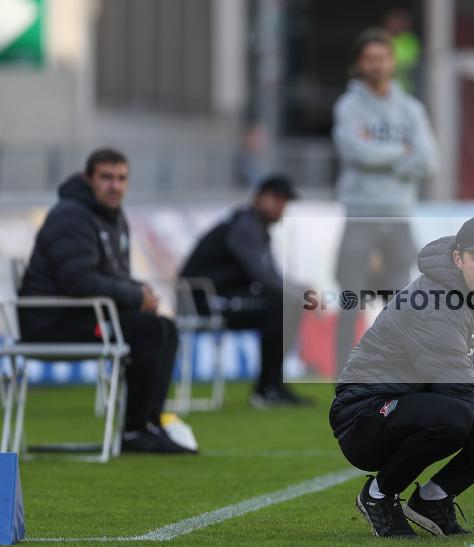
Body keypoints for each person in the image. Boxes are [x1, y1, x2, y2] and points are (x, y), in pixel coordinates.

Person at [330, 214, 474, 538]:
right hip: (365, 417)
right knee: (459, 414)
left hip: (426, 403)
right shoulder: (433, 304)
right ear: (458, 259)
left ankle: (433, 498)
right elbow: (465, 398)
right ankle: (378, 495)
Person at [18, 148, 194, 454]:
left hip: (84, 315)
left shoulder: (112, 217)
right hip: (50, 322)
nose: (115, 186)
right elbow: (77, 280)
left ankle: (150, 424)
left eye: (121, 178)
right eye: (107, 178)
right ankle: (134, 431)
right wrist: (134, 295)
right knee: (148, 330)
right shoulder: (70, 214)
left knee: (164, 327)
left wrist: (141, 291)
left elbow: (114, 274)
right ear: (90, 179)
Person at [332, 27, 439, 373]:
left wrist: (381, 154)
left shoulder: (410, 108)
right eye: (370, 59)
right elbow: (356, 152)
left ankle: (398, 370)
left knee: (400, 300)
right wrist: (402, 152)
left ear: (392, 62)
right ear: (359, 64)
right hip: (361, 215)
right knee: (351, 298)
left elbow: (430, 161)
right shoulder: (348, 106)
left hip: (398, 216)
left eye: (382, 58)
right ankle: (344, 375)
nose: (376, 65)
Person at [180, 174, 312, 409]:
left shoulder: (257, 228)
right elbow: (260, 275)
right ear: (259, 198)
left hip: (222, 296)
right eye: (277, 199)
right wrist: (297, 294)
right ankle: (267, 388)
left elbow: (272, 275)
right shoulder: (245, 226)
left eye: (285, 201)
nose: (282, 206)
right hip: (203, 300)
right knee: (281, 304)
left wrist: (299, 291)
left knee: (286, 303)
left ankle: (272, 385)